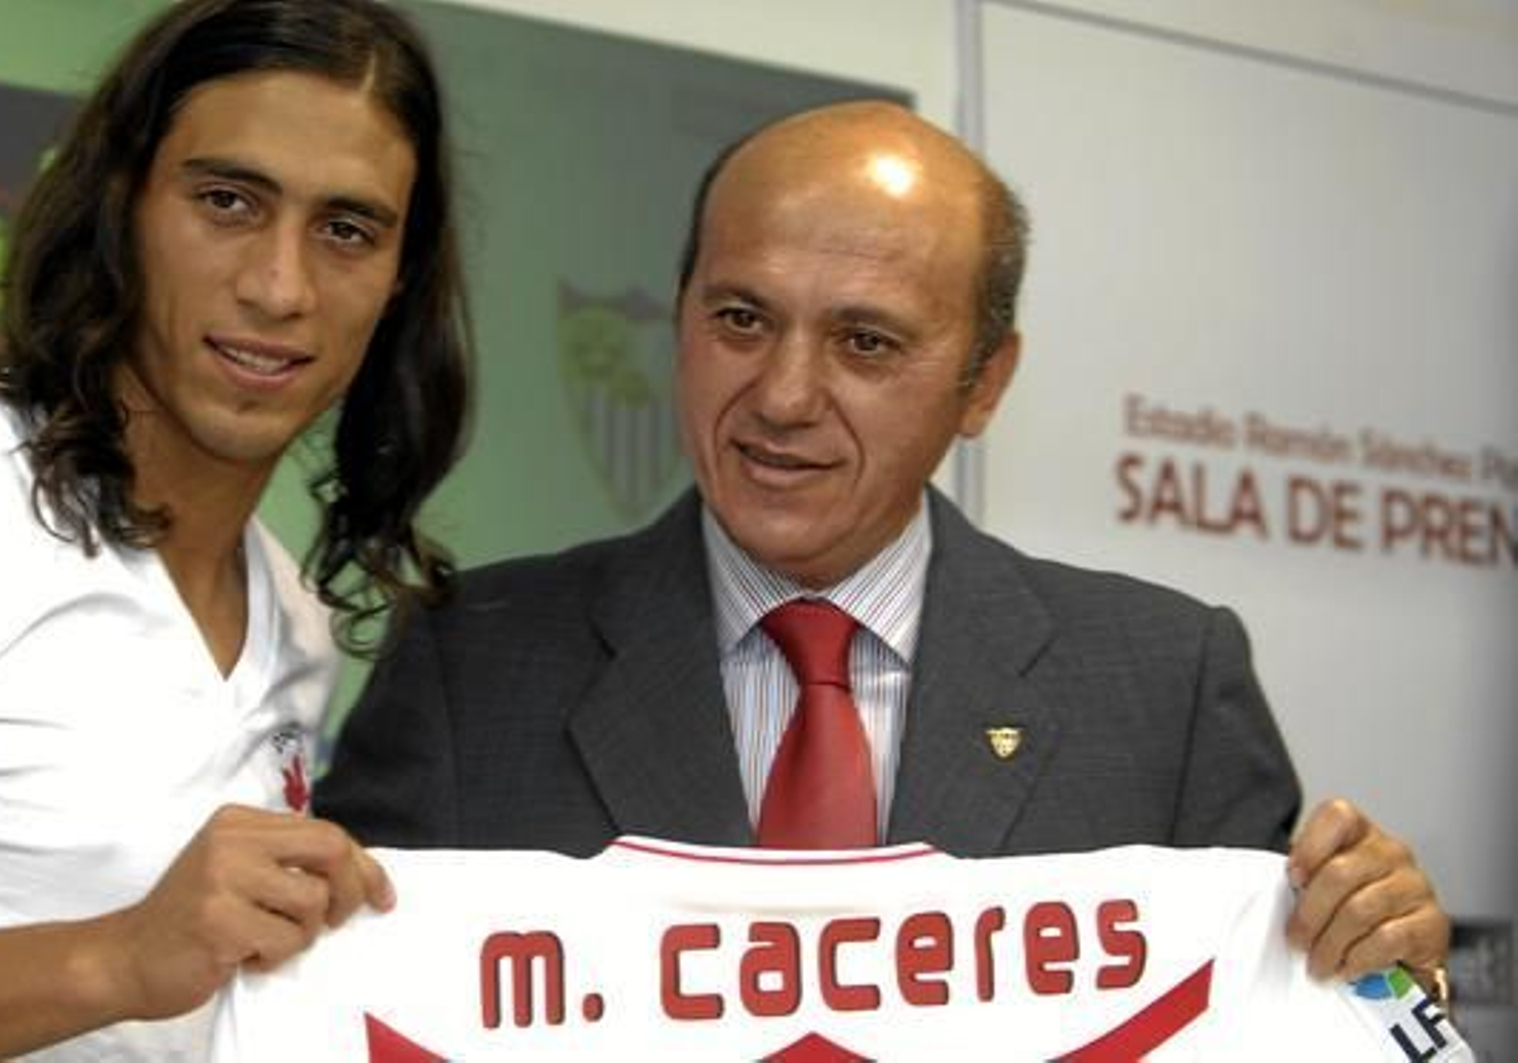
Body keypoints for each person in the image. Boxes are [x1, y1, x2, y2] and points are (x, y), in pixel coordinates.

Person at [315, 100, 1451, 999]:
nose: (783, 395)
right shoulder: (472, 667)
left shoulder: (1165, 690)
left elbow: (1279, 1020)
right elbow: (343, 1015)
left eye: (865, 342)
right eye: (741, 318)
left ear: (984, 384)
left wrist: (1380, 965)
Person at [0, 0, 471, 1057]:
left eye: (346, 230)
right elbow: (140, 961)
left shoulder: (294, 619)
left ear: (399, 277)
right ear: (120, 203)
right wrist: (115, 959)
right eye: (227, 201)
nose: (279, 286)